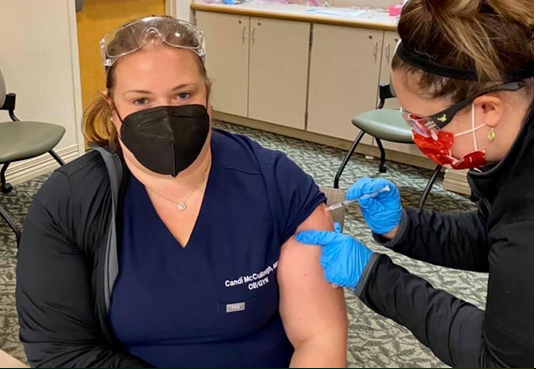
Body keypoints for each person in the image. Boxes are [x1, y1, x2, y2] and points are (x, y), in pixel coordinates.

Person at [16, 16, 348, 368]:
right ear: (112, 108)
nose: (166, 115)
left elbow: (319, 335)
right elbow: (61, 353)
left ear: (208, 95)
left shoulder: (277, 182)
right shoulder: (69, 201)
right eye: (141, 101)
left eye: (183, 94)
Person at [296, 0, 534, 367]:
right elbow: (494, 238)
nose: (417, 135)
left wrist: (373, 276)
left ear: (488, 109)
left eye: (428, 123)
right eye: (409, 119)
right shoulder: (515, 159)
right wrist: (402, 227)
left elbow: (500, 360)